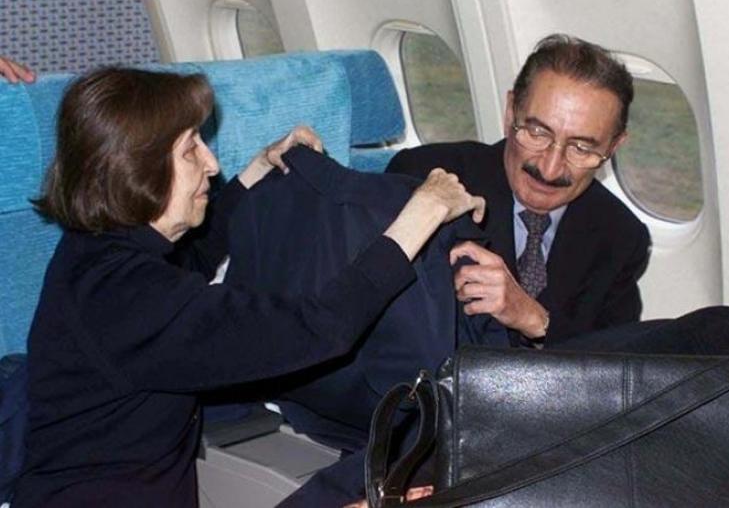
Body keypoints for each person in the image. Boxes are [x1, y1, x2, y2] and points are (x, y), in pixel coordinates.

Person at [13, 67, 484, 508]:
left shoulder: (96, 251)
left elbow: (192, 260)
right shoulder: (131, 298)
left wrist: (258, 169)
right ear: (137, 169)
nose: (211, 164)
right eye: (191, 150)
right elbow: (319, 328)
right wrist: (422, 212)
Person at [387, 34, 651, 349]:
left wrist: (536, 321)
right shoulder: (424, 178)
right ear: (511, 112)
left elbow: (616, 362)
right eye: (537, 133)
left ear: (613, 146)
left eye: (581, 148)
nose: (550, 170)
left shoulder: (620, 236)